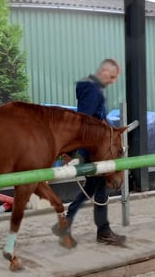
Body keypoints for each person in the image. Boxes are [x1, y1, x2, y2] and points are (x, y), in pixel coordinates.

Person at [53, 58, 127, 246]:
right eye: (111, 76)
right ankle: (103, 231)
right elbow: (85, 121)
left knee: (93, 188)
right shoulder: (93, 90)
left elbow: (92, 120)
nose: (112, 81)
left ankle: (67, 223)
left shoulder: (92, 88)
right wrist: (74, 149)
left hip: (91, 148)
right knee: (100, 188)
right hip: (94, 149)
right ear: (103, 71)